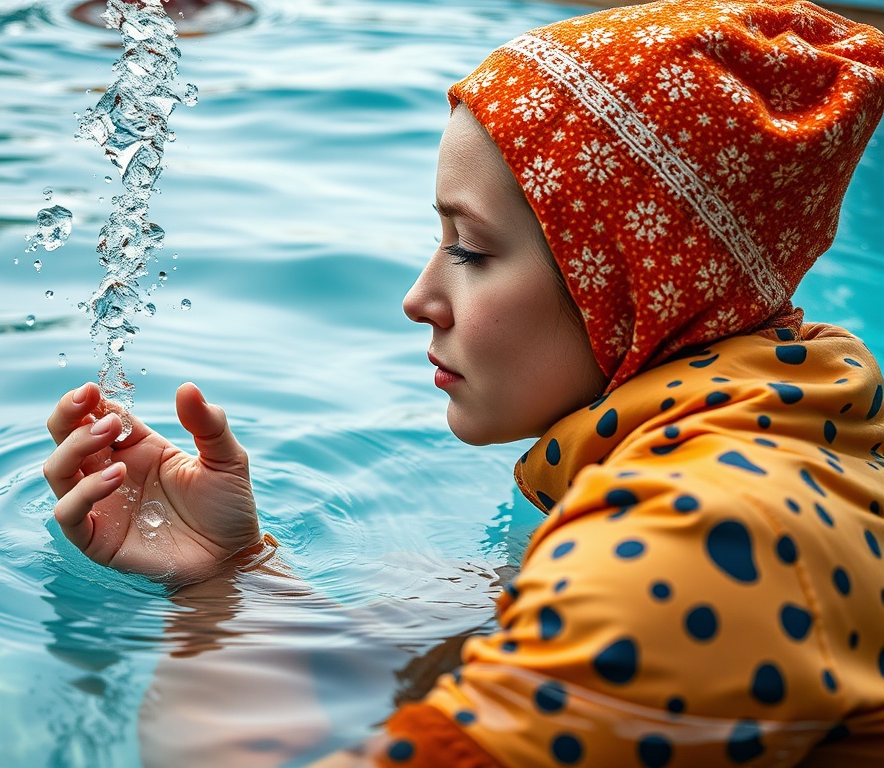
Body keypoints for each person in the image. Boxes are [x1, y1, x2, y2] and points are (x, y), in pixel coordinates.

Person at [43, 0, 884, 764]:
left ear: (629, 284)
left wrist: (206, 620)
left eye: (471, 250)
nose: (418, 299)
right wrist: (228, 573)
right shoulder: (782, 449)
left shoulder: (698, 535)